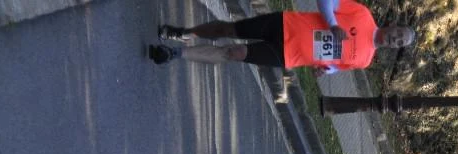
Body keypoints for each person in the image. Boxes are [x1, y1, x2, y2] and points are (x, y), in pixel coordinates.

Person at [148, 2, 415, 72]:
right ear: (393, 25)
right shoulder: (363, 15)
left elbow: (337, 65)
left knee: (235, 53)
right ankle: (183, 33)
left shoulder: (365, 60)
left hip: (289, 55)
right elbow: (326, 1)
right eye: (398, 34)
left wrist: (326, 70)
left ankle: (175, 53)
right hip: (285, 24)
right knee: (229, 30)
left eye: (399, 43)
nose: (395, 40)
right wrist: (333, 24)